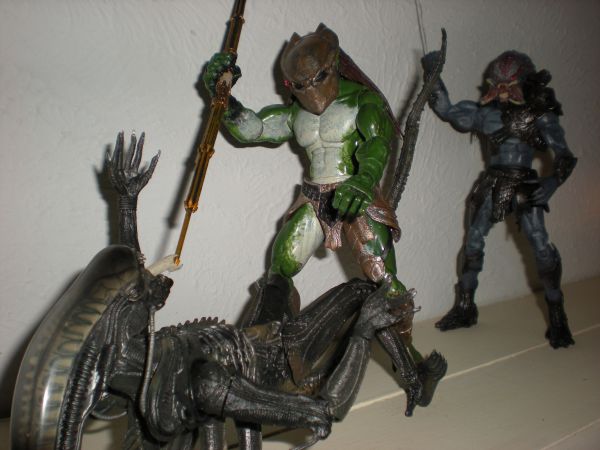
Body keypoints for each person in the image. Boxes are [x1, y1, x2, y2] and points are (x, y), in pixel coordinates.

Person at [204, 24, 446, 415]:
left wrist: (364, 181)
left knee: (384, 283)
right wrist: (224, 98)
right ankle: (278, 356)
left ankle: (414, 367)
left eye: (317, 79)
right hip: (315, 197)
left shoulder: (362, 100)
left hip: (357, 197)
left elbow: (377, 145)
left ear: (334, 66)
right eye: (299, 85)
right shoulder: (296, 111)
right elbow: (255, 129)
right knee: (280, 270)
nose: (311, 92)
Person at [422, 50, 577, 348]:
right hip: (492, 182)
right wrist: (433, 73)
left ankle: (557, 315)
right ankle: (465, 306)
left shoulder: (540, 115)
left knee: (541, 248)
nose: (503, 91)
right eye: (498, 85)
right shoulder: (484, 114)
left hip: (525, 185)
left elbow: (565, 157)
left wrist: (552, 183)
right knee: (472, 243)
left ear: (524, 84)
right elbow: (447, 110)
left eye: (510, 85)